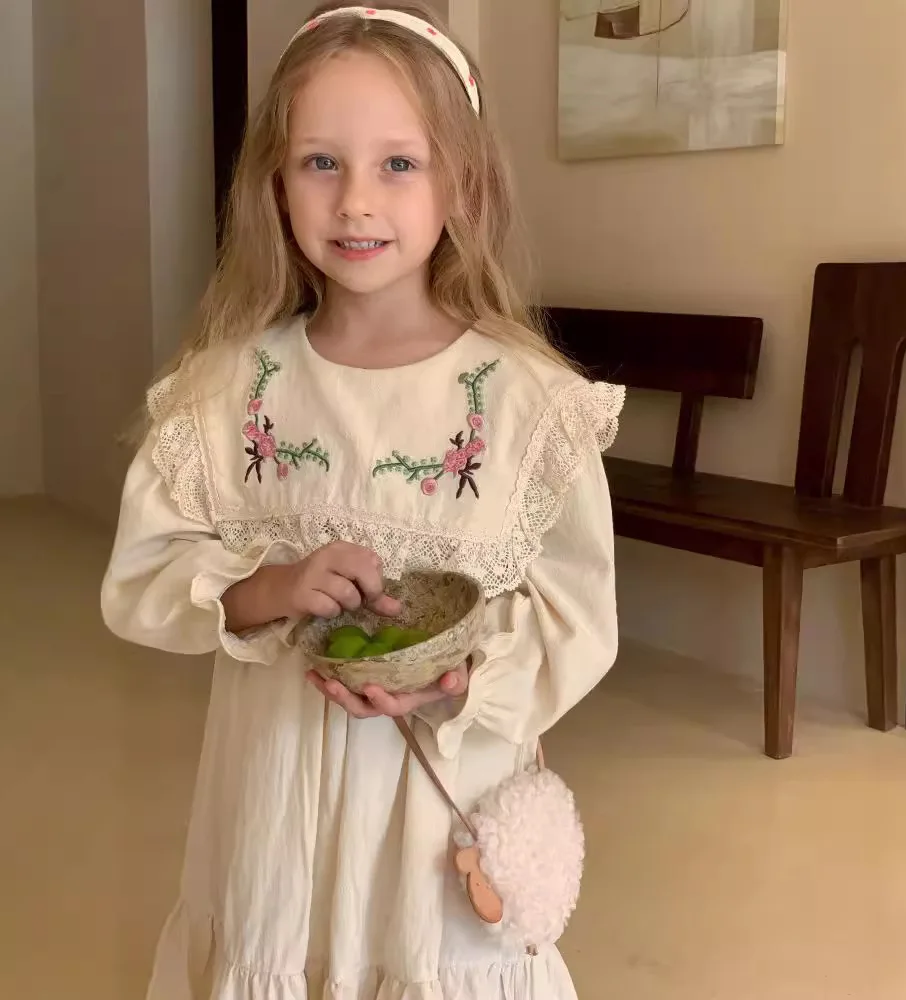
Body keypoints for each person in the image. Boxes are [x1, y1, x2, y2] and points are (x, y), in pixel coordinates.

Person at [101, 3, 624, 998]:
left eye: (398, 163)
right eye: (320, 162)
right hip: (274, 814)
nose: (355, 202)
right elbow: (143, 576)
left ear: (461, 181)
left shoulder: (527, 405)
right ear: (274, 181)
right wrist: (266, 588)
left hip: (438, 810)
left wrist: (456, 678)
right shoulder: (224, 394)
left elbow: (576, 617)